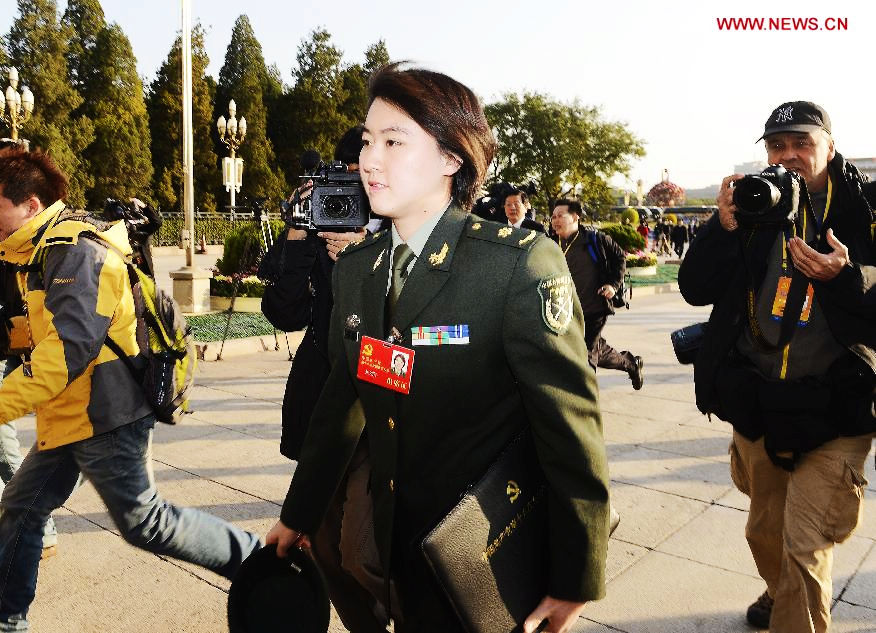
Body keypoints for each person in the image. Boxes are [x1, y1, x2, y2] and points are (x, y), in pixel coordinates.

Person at [266, 63, 610, 633]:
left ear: (453, 158)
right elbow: (340, 404)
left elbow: (569, 427)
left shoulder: (514, 266)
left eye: (395, 142)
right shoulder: (357, 271)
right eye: (369, 141)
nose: (370, 159)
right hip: (393, 538)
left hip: (484, 553)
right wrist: (298, 514)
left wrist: (574, 575)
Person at [0, 147, 260, 632]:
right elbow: (50, 329)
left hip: (107, 412)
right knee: (21, 506)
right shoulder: (42, 251)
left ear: (30, 205)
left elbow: (67, 350)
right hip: (73, 412)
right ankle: (1, 621)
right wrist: (4, 334)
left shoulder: (75, 252)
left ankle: (259, 560)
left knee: (145, 522)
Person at [679, 101, 876, 633]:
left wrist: (848, 277)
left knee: (805, 545)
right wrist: (720, 229)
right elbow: (696, 288)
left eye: (801, 144)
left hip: (836, 407)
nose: (788, 156)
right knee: (765, 534)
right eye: (776, 145)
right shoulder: (754, 205)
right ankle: (778, 592)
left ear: (829, 148)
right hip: (759, 401)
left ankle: (791, 606)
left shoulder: (866, 208)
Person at [261, 126, 391, 632]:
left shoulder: (398, 233)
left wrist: (360, 258)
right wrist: (297, 230)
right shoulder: (315, 232)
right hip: (322, 406)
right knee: (327, 553)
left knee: (361, 551)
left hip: (380, 414)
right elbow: (282, 312)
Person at [0, 143, 58, 589]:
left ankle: (6, 550)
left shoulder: (64, 247)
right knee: (5, 454)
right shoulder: (5, 227)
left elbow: (63, 353)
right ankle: (33, 538)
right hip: (5, 348)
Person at [551, 199, 643, 390]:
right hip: (566, 312)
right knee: (598, 351)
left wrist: (613, 284)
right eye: (553, 216)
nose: (555, 220)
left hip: (594, 309)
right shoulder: (551, 244)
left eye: (560, 215)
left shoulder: (595, 239)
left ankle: (585, 401)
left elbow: (620, 257)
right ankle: (631, 364)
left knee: (585, 356)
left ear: (575, 216)